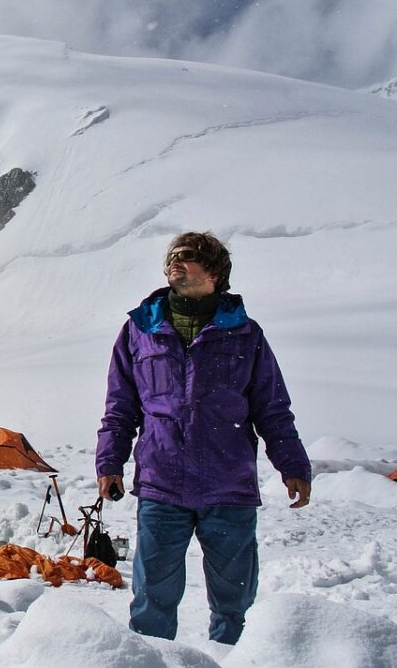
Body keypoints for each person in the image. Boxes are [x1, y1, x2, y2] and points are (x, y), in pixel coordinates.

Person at [95, 231, 311, 645]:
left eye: (189, 256)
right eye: (172, 256)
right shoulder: (140, 329)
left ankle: (231, 658)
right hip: (162, 484)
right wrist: (109, 463)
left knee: (235, 603)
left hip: (228, 484)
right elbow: (120, 407)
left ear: (214, 271)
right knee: (151, 600)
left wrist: (293, 466)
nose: (176, 262)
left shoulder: (246, 333)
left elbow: (272, 409)